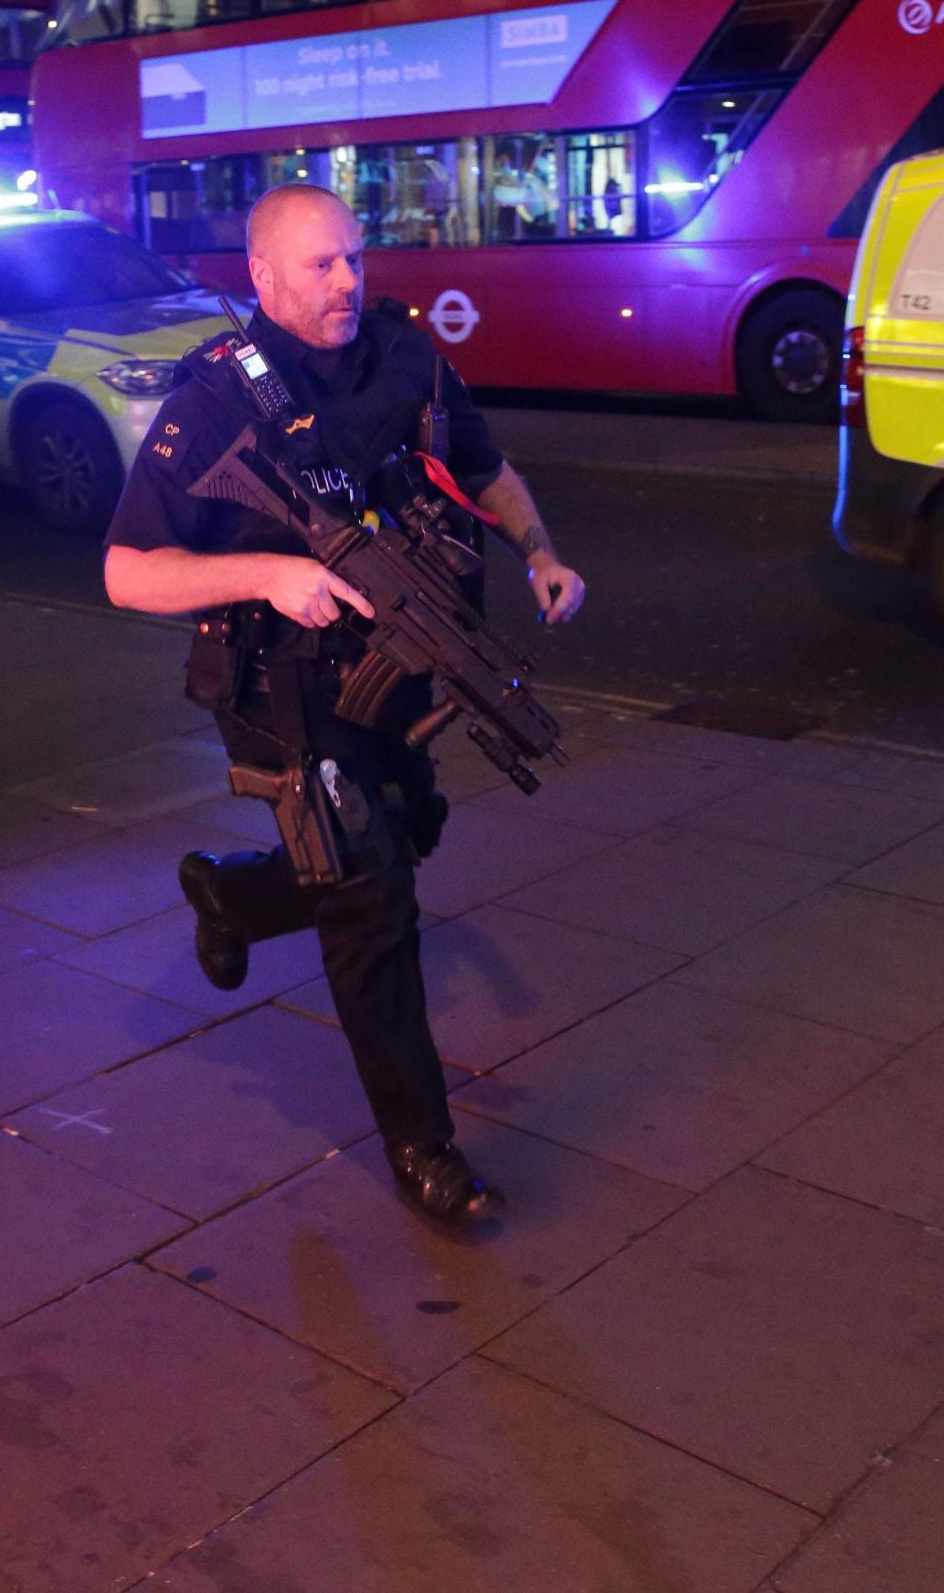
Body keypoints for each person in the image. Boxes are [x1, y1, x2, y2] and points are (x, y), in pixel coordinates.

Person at [102, 183, 585, 1227]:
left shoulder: (405, 356)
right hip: (284, 682)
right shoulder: (215, 402)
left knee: (410, 832)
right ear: (261, 278)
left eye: (353, 259)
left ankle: (234, 897)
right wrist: (267, 577)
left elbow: (485, 468)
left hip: (395, 662)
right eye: (319, 266)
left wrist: (538, 551)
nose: (345, 281)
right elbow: (128, 572)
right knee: (372, 901)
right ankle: (425, 1146)